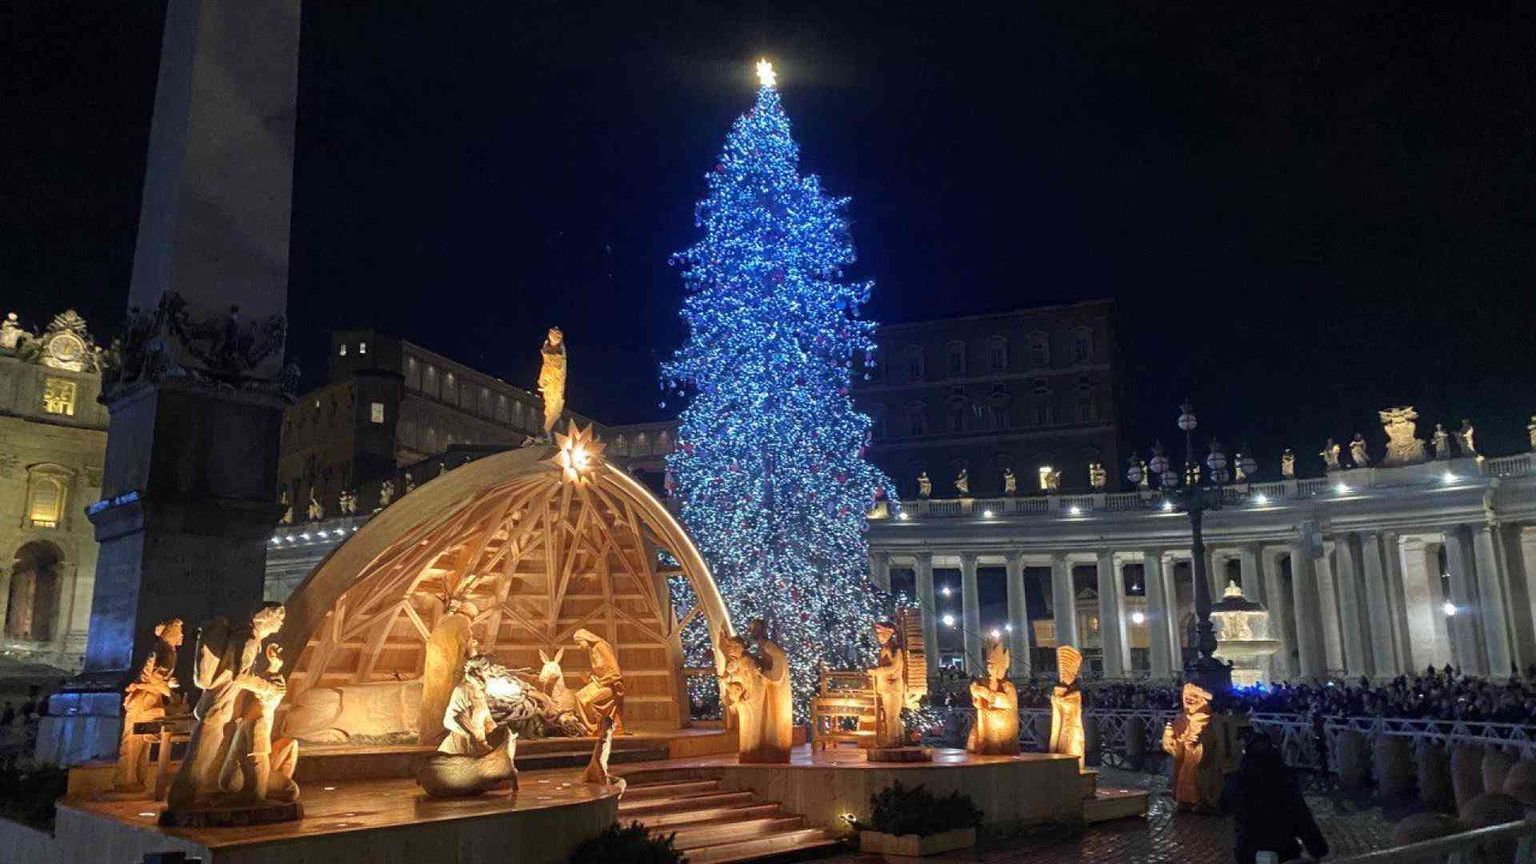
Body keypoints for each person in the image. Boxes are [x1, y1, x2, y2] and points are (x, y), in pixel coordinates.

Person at [1222, 733, 1329, 864]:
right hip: (1283, 847)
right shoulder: (1284, 779)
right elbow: (1301, 815)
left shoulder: (1238, 779)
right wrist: (1317, 847)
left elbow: (1224, 806)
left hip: (1248, 848)